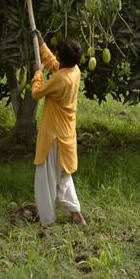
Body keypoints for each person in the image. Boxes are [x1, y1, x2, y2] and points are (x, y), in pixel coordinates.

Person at [30, 31, 87, 226]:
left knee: (45, 179)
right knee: (63, 175)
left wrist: (38, 71)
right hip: (66, 135)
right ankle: (75, 212)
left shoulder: (59, 79)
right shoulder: (74, 71)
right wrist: (41, 45)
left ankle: (47, 220)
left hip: (52, 136)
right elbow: (55, 66)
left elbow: (37, 93)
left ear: (62, 58)